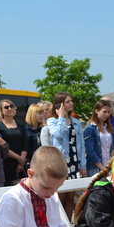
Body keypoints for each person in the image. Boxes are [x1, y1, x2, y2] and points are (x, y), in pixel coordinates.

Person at [47, 92, 86, 220]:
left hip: (74, 161)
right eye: (68, 101)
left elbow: (81, 144)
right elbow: (57, 134)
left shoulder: (75, 122)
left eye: (71, 101)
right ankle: (58, 223)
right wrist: (61, 118)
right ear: (60, 104)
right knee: (61, 196)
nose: (71, 103)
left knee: (71, 197)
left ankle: (68, 225)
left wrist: (82, 164)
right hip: (61, 161)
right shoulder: (52, 121)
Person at [0, 99, 28, 184]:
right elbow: (1, 146)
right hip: (7, 162)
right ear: (1, 111)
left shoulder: (20, 124)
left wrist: (21, 161)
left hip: (21, 162)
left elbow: (25, 143)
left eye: (11, 106)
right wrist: (19, 158)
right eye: (6, 107)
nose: (10, 109)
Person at [83, 100, 114, 176]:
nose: (107, 114)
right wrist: (102, 168)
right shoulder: (90, 129)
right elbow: (90, 151)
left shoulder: (109, 128)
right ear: (96, 111)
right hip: (95, 167)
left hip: (109, 165)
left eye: (108, 112)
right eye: (104, 112)